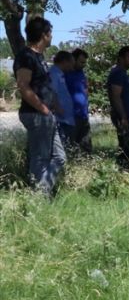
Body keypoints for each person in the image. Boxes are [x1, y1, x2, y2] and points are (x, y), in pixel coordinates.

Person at [13, 16, 65, 197]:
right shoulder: (26, 56)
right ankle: (38, 198)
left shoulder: (39, 57)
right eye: (50, 33)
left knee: (60, 157)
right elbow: (23, 85)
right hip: (36, 114)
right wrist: (43, 109)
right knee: (40, 158)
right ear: (44, 35)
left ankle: (40, 193)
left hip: (46, 114)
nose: (52, 36)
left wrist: (54, 105)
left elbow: (44, 85)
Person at [107, 45, 129, 169]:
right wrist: (123, 117)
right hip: (124, 117)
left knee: (128, 147)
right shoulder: (117, 73)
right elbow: (116, 96)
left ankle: (126, 170)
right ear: (121, 58)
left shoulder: (123, 73)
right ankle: (128, 171)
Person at [65, 48, 93, 154]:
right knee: (71, 147)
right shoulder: (65, 74)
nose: (83, 65)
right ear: (73, 60)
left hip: (83, 115)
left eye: (85, 62)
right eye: (81, 62)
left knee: (86, 147)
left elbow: (85, 88)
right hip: (71, 116)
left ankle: (87, 163)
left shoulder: (81, 73)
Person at [48, 50, 77, 147]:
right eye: (71, 64)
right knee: (63, 147)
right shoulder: (54, 73)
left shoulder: (60, 74)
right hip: (61, 119)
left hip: (66, 118)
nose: (72, 67)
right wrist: (58, 108)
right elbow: (52, 91)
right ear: (64, 61)